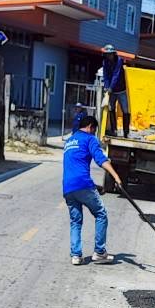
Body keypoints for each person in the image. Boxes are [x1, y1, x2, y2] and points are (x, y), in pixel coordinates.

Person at [62, 114, 122, 266]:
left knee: (75, 220)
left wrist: (95, 187)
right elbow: (101, 159)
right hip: (83, 184)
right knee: (101, 214)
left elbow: (76, 167)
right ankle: (100, 252)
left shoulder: (70, 141)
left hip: (68, 187)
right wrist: (116, 177)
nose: (94, 133)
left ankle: (76, 255)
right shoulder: (89, 139)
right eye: (94, 130)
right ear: (90, 127)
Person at [101, 44, 130, 138]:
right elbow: (106, 75)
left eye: (110, 54)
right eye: (107, 54)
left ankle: (126, 132)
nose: (109, 56)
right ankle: (114, 130)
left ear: (113, 54)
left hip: (121, 90)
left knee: (125, 110)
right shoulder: (105, 62)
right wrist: (106, 87)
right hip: (112, 91)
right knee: (111, 108)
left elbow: (116, 75)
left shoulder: (119, 60)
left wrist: (110, 88)